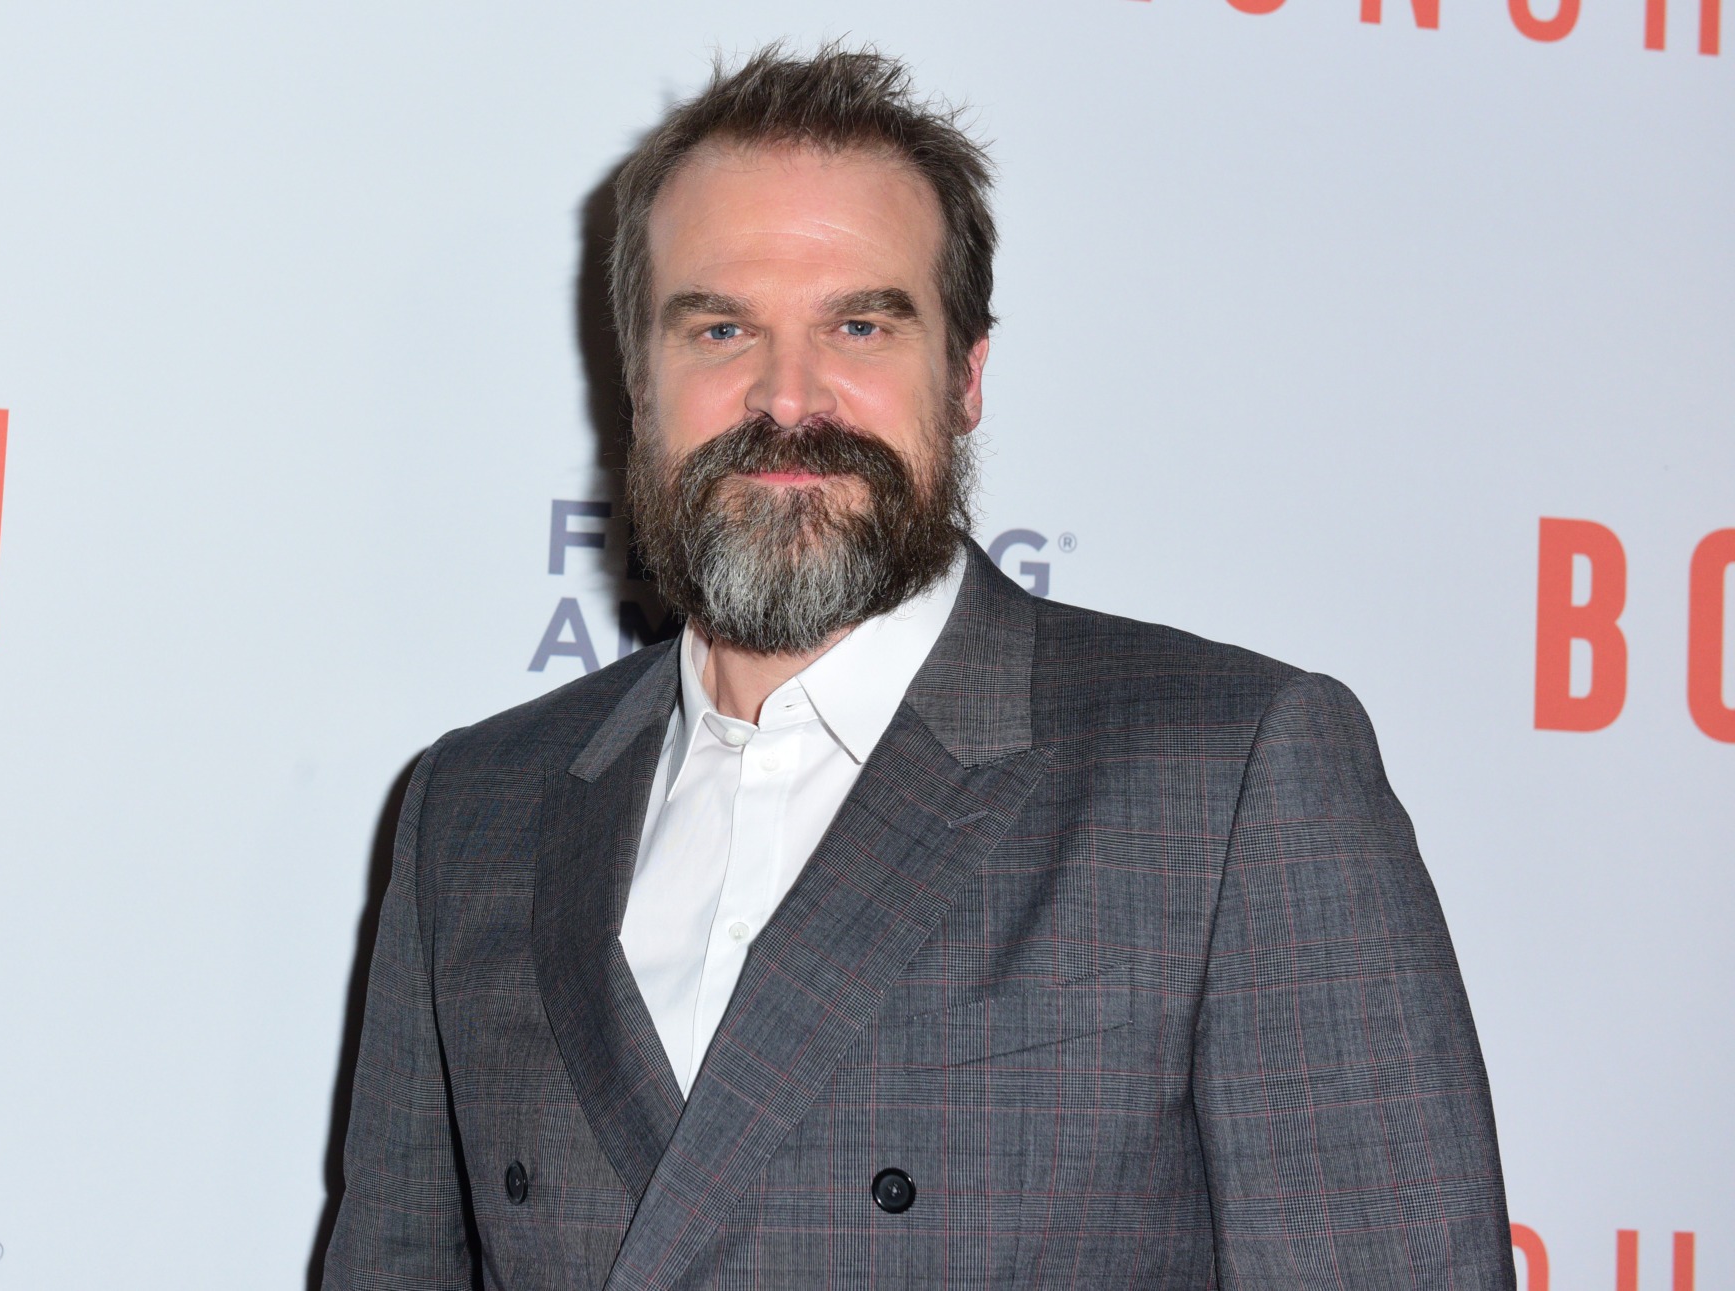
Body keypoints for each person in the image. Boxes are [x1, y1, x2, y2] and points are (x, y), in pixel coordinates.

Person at [323, 44, 1513, 1290]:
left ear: (964, 378)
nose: (787, 399)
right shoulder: (476, 809)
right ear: (639, 381)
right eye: (721, 327)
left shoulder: (1226, 778)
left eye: (859, 325)